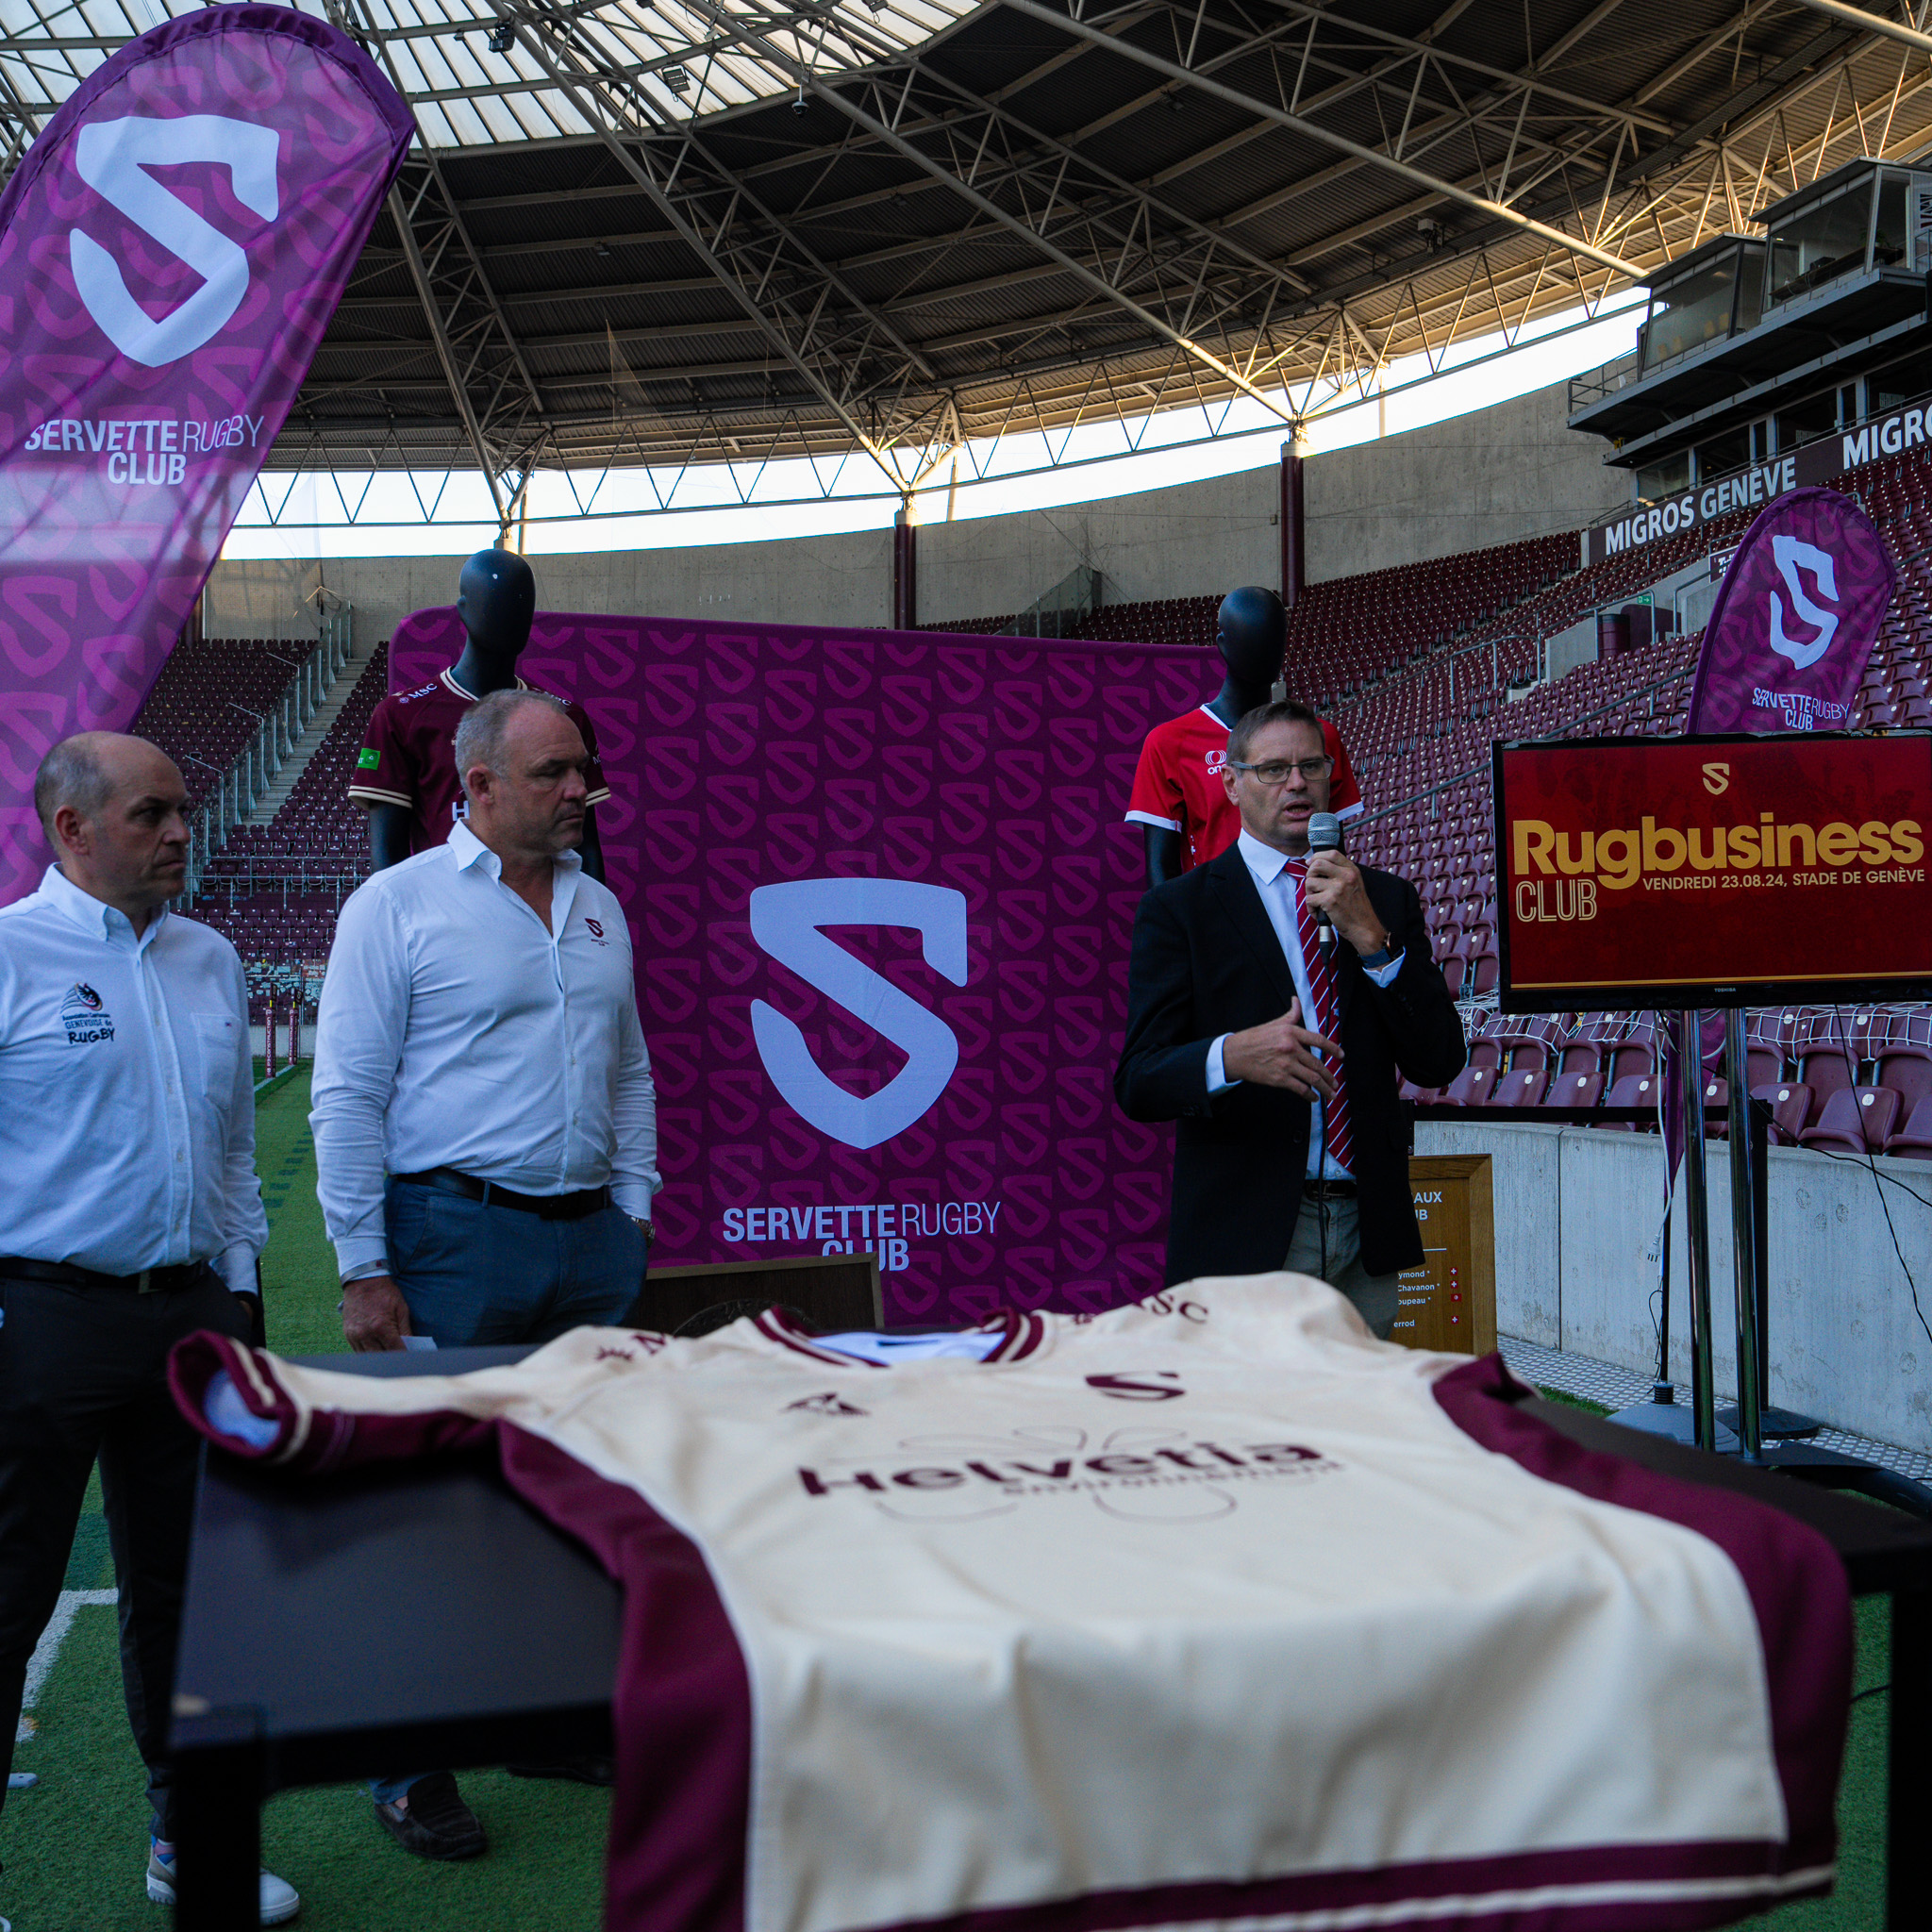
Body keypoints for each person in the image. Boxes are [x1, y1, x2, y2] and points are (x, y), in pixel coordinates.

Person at [311, 688, 659, 1860]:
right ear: (476, 786)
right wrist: (364, 1263)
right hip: (453, 1234)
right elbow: (346, 1092)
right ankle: (406, 1764)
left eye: (583, 768)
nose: (581, 789)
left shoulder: (599, 905)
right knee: (435, 1509)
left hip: (588, 1241)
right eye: (555, 771)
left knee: (568, 1494)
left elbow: (627, 1072)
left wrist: (631, 1212)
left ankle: (545, 1722)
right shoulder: (395, 904)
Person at [0, 734, 298, 1925]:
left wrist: (241, 1294)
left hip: (187, 1318)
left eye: (183, 809)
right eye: (151, 813)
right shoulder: (10, 952)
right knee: (7, 1598)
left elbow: (231, 1149)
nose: (181, 831)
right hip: (40, 1319)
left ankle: (192, 1846)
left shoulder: (208, 955)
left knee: (192, 1599)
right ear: (72, 828)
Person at [1114, 700, 1465, 1335]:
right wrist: (1228, 1057)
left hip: (1367, 1229)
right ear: (1231, 783)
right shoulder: (1180, 909)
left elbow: (1438, 1060)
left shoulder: (1384, 899)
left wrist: (1374, 941)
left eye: (1311, 767)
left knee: (1361, 1402)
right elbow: (1138, 1080)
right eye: (1274, 769)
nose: (1297, 783)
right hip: (1246, 1235)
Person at [349, 547, 611, 877]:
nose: (511, 617)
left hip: (541, 903)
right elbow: (387, 855)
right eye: (495, 604)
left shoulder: (564, 718)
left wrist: (594, 910)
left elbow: (585, 847)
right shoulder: (401, 715)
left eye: (522, 606)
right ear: (463, 610)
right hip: (447, 903)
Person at [1125, 586, 1360, 887]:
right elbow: (1161, 870)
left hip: (1307, 906)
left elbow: (1332, 845)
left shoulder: (1319, 738)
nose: (1265, 650)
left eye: (1274, 639)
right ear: (1223, 645)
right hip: (1217, 907)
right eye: (1251, 637)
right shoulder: (1168, 743)